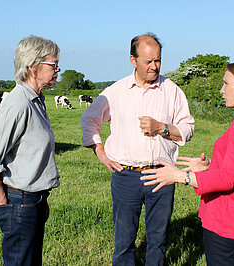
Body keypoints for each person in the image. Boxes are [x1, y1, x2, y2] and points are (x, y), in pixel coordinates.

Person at [140, 60, 234, 266]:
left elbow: (229, 178)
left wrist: (179, 176)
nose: (221, 90)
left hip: (227, 218)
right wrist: (210, 166)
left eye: (226, 84)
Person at [81, 33, 195, 265]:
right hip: (125, 175)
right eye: (148, 61)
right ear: (133, 60)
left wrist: (162, 128)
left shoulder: (172, 91)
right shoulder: (115, 92)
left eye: (158, 60)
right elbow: (89, 120)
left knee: (158, 238)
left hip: (162, 175)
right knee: (124, 240)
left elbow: (187, 129)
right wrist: (102, 154)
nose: (154, 67)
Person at [0, 35, 61, 265]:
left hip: (32, 201)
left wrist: (41, 200)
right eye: (53, 65)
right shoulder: (19, 102)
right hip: (19, 203)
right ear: (33, 66)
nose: (58, 69)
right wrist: (3, 205)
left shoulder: (36, 99)